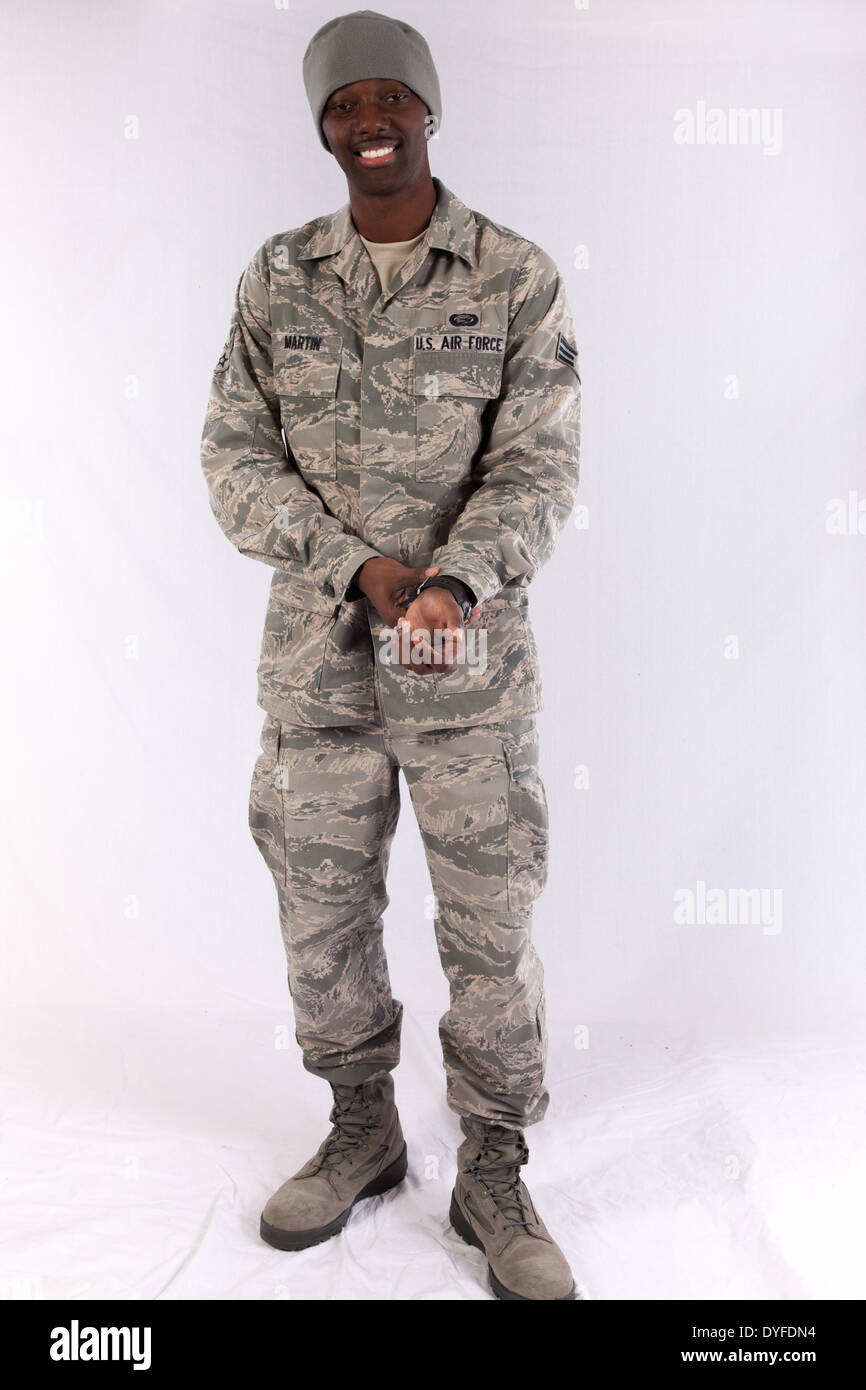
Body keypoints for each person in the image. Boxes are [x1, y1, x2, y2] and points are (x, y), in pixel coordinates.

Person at [200, 8, 582, 1301]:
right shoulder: (277, 279)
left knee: (487, 924)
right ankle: (360, 1128)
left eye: (390, 103)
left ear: (428, 112)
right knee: (319, 921)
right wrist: (352, 568)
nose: (370, 127)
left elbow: (539, 458)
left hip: (464, 675)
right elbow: (233, 459)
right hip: (317, 673)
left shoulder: (511, 275)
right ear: (323, 127)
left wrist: (452, 577)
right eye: (344, 108)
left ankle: (492, 1161)